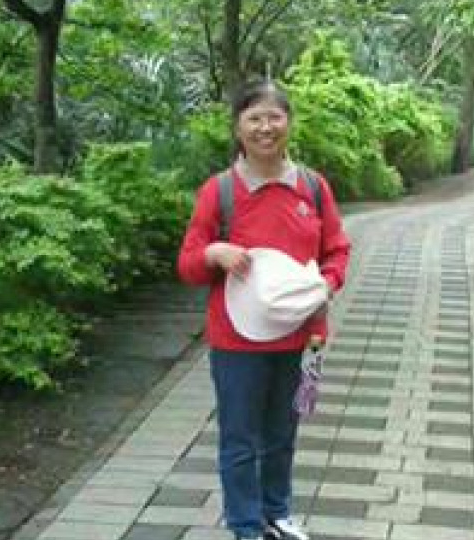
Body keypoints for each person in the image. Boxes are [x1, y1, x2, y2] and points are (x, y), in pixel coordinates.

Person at [177, 79, 351, 540]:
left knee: (282, 432)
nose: (265, 127)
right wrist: (215, 252)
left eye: (275, 116)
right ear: (238, 127)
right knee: (239, 437)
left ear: (289, 123)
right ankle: (245, 525)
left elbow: (337, 249)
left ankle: (277, 513)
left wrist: (327, 284)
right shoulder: (219, 191)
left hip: (299, 336)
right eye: (254, 118)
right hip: (236, 341)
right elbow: (188, 265)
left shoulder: (312, 187)